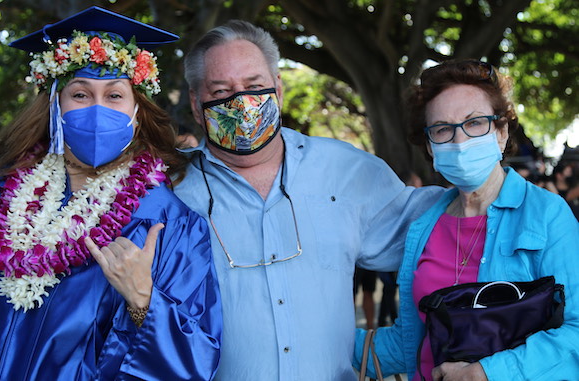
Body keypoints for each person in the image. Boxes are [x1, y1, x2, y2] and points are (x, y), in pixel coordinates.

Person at [0, 7, 221, 380]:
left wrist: (143, 299)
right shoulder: (1, 196)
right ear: (55, 105)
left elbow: (195, 361)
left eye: (115, 95)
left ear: (138, 111)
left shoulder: (167, 224)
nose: (99, 110)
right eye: (81, 95)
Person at [173, 20, 443, 380]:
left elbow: (443, 223)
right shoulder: (168, 190)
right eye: (221, 91)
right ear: (195, 103)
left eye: (255, 87)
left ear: (278, 89)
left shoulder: (346, 169)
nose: (242, 104)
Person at [353, 59, 579, 380]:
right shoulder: (424, 224)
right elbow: (410, 345)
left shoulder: (547, 214)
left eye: (475, 123)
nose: (459, 142)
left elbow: (576, 330)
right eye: (443, 129)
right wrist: (317, 340)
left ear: (501, 133)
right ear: (430, 147)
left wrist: (487, 373)